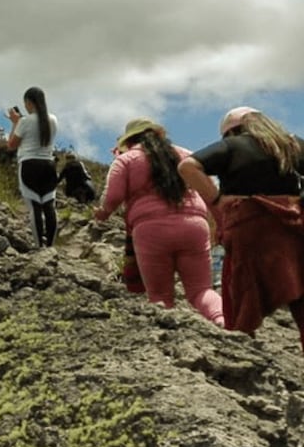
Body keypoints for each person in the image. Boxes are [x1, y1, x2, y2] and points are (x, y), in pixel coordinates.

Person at [176, 107, 304, 351]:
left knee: (242, 294)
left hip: (248, 225)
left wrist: (216, 200)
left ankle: (240, 350)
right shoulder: (291, 144)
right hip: (293, 226)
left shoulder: (233, 146)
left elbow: (187, 167)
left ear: (230, 131)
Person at [94, 119, 223, 325]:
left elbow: (113, 197)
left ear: (129, 140)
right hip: (194, 226)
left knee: (160, 296)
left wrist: (102, 214)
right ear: (160, 135)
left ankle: (168, 334)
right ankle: (223, 320)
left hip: (151, 230)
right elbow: (209, 190)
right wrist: (219, 222)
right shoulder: (186, 154)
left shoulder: (126, 160)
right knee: (201, 290)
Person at [7, 86, 59, 247]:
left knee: (35, 207)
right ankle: (51, 246)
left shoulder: (24, 121)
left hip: (29, 164)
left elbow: (11, 145)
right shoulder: (53, 119)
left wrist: (15, 123)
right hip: (49, 165)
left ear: (29, 102)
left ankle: (38, 246)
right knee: (49, 206)